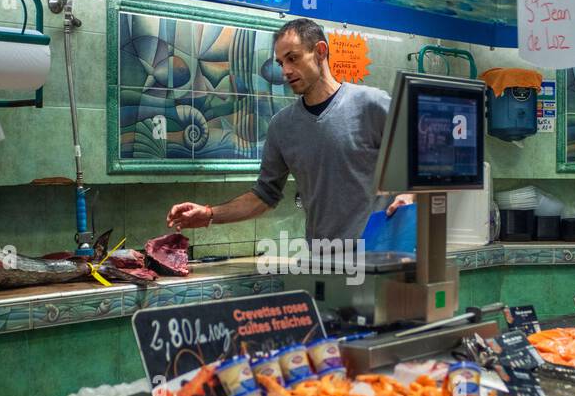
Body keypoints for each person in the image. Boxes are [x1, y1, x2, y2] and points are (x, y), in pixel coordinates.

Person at [167, 18, 412, 242]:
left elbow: (425, 160)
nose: (285, 70)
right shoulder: (282, 126)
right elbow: (264, 196)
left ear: (320, 52)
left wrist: (410, 197)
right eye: (281, 62)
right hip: (324, 262)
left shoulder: (371, 105)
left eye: (292, 58)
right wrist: (209, 214)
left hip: (379, 255)